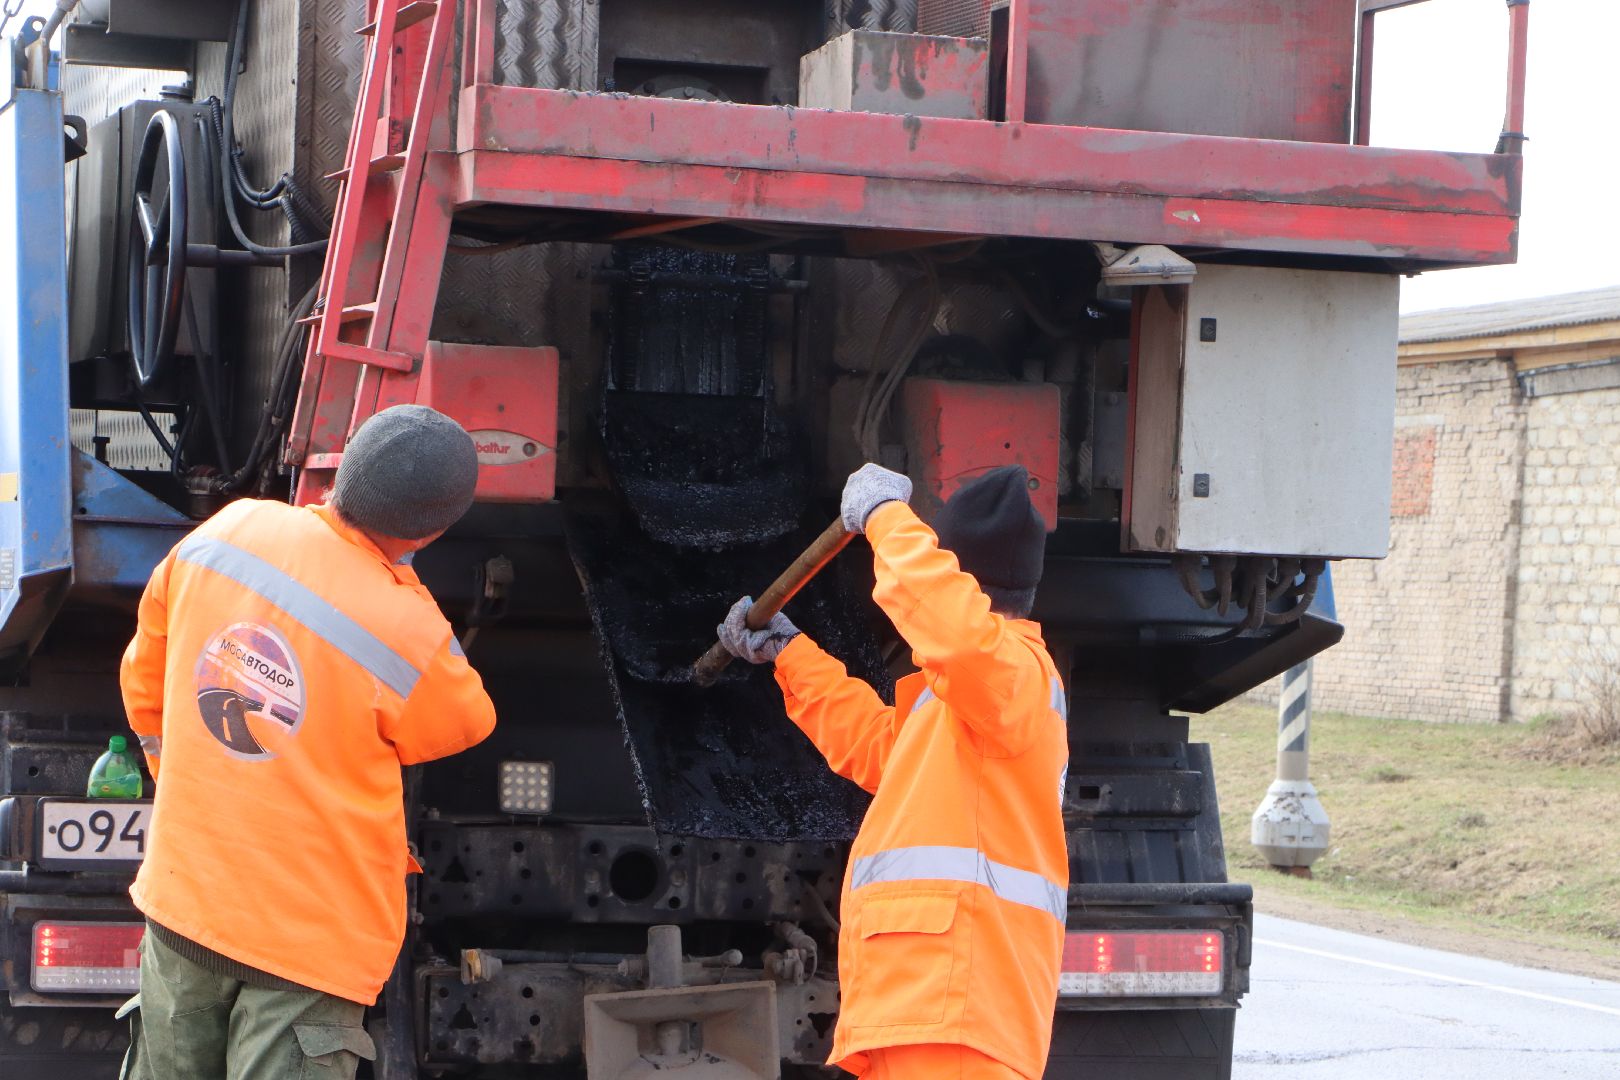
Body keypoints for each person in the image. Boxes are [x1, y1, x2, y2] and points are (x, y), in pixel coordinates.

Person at [117, 404, 498, 1080]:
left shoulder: (228, 530)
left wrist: (179, 777)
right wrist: (400, 586)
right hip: (308, 942)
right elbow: (466, 722)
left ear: (342, 471)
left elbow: (145, 677)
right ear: (435, 528)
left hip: (186, 900)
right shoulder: (407, 629)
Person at [717, 463, 1069, 1080]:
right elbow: (881, 749)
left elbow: (955, 634)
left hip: (954, 1007)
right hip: (926, 1006)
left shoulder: (1013, 672)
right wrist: (788, 652)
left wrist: (884, 518)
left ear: (958, 577)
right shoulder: (981, 698)